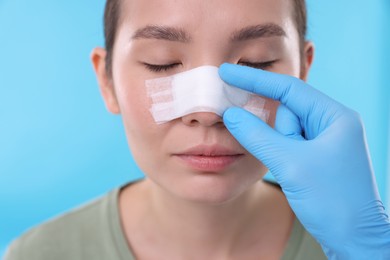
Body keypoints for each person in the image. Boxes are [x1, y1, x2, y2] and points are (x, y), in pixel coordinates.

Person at [5, 0, 390, 259]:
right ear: (106, 81)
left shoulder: (355, 244)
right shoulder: (41, 253)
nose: (208, 111)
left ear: (302, 72)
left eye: (257, 63)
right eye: (162, 64)